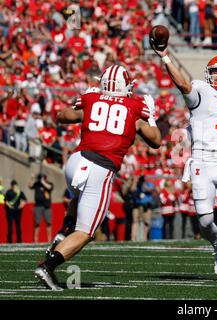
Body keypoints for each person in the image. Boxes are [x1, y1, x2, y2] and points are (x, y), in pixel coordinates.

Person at [34, 64, 161, 291]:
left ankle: (64, 232)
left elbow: (62, 116)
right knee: (87, 232)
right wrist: (151, 117)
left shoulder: (92, 98)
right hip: (100, 167)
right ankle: (48, 266)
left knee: (78, 198)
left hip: (76, 161)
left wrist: (84, 99)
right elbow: (155, 141)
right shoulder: (136, 105)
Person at [151, 42, 217, 283]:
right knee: (205, 221)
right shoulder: (199, 88)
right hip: (200, 161)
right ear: (208, 74)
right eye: (215, 71)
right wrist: (166, 57)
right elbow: (182, 84)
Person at [29, 173, 54, 243]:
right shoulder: (37, 184)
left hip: (47, 206)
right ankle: (35, 240)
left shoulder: (49, 183)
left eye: (44, 177)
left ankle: (49, 239)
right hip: (38, 206)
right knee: (37, 223)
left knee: (48, 223)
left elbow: (49, 187)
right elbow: (30, 186)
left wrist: (43, 182)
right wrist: (32, 179)